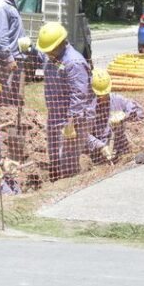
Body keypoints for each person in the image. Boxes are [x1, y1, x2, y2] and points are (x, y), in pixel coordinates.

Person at [35, 22, 98, 181]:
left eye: (49, 49)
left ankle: (70, 185)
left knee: (67, 158)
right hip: (56, 114)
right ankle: (56, 179)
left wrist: (72, 120)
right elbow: (40, 54)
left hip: (74, 119)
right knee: (55, 155)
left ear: (59, 44)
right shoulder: (53, 56)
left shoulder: (74, 62)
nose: (47, 52)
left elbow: (79, 94)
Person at [89, 69, 144, 161]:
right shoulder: (88, 108)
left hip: (120, 147)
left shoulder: (117, 100)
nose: (103, 98)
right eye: (99, 96)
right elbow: (83, 134)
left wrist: (124, 116)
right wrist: (100, 146)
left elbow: (140, 112)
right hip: (97, 153)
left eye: (105, 95)